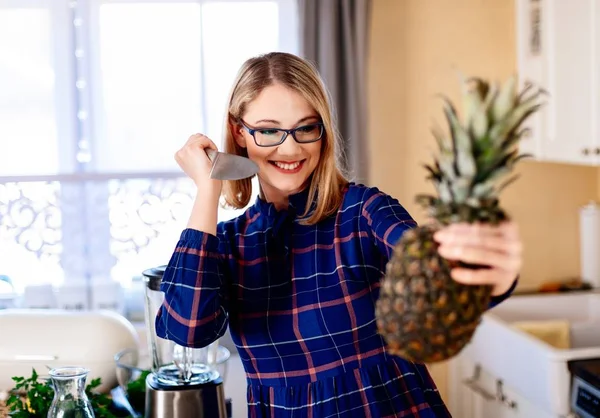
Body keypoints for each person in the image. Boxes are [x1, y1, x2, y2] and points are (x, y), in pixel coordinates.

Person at [155, 52, 521, 418]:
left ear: (323, 130)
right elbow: (188, 328)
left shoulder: (363, 212)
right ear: (239, 131)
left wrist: (485, 271)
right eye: (268, 130)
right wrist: (208, 189)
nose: (290, 148)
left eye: (306, 128)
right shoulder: (230, 244)